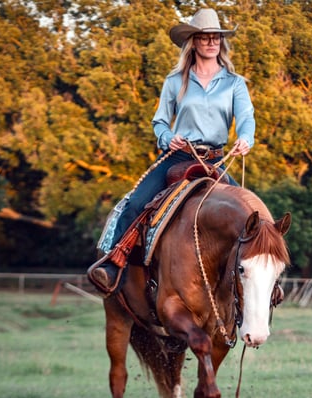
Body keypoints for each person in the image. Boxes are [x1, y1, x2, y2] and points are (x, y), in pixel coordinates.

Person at [87, 8, 255, 296]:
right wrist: (167, 138)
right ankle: (115, 265)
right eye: (205, 37)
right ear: (194, 42)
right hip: (179, 156)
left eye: (216, 37)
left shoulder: (234, 83)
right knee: (137, 203)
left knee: (250, 217)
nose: (211, 42)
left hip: (217, 159)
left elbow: (247, 117)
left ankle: (254, 287)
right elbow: (160, 122)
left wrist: (245, 138)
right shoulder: (175, 81)